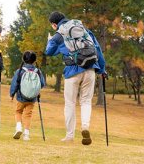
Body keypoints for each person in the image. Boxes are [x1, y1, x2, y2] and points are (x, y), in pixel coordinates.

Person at [45, 11, 106, 145]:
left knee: (70, 103)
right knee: (85, 101)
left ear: (54, 25)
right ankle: (85, 127)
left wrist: (49, 41)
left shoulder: (59, 34)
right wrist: (102, 69)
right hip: (90, 68)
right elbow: (97, 49)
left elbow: (49, 52)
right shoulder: (82, 29)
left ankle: (69, 136)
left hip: (72, 70)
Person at [10, 51, 46, 141]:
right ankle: (26, 134)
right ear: (34, 60)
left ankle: (18, 128)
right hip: (32, 98)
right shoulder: (38, 71)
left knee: (18, 112)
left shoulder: (20, 71)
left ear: (24, 59)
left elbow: (15, 84)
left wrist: (12, 94)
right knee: (28, 115)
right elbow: (42, 83)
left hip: (21, 97)